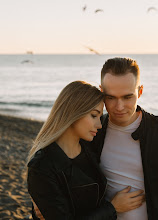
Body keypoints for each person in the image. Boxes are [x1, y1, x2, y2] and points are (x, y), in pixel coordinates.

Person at [90, 57, 158, 220]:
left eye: (127, 97)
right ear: (101, 92)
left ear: (140, 91)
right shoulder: (92, 132)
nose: (119, 106)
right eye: (110, 97)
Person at [27, 81, 145, 220]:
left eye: (100, 117)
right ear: (74, 112)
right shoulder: (42, 166)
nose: (99, 125)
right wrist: (113, 207)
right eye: (94, 116)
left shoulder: (90, 147)